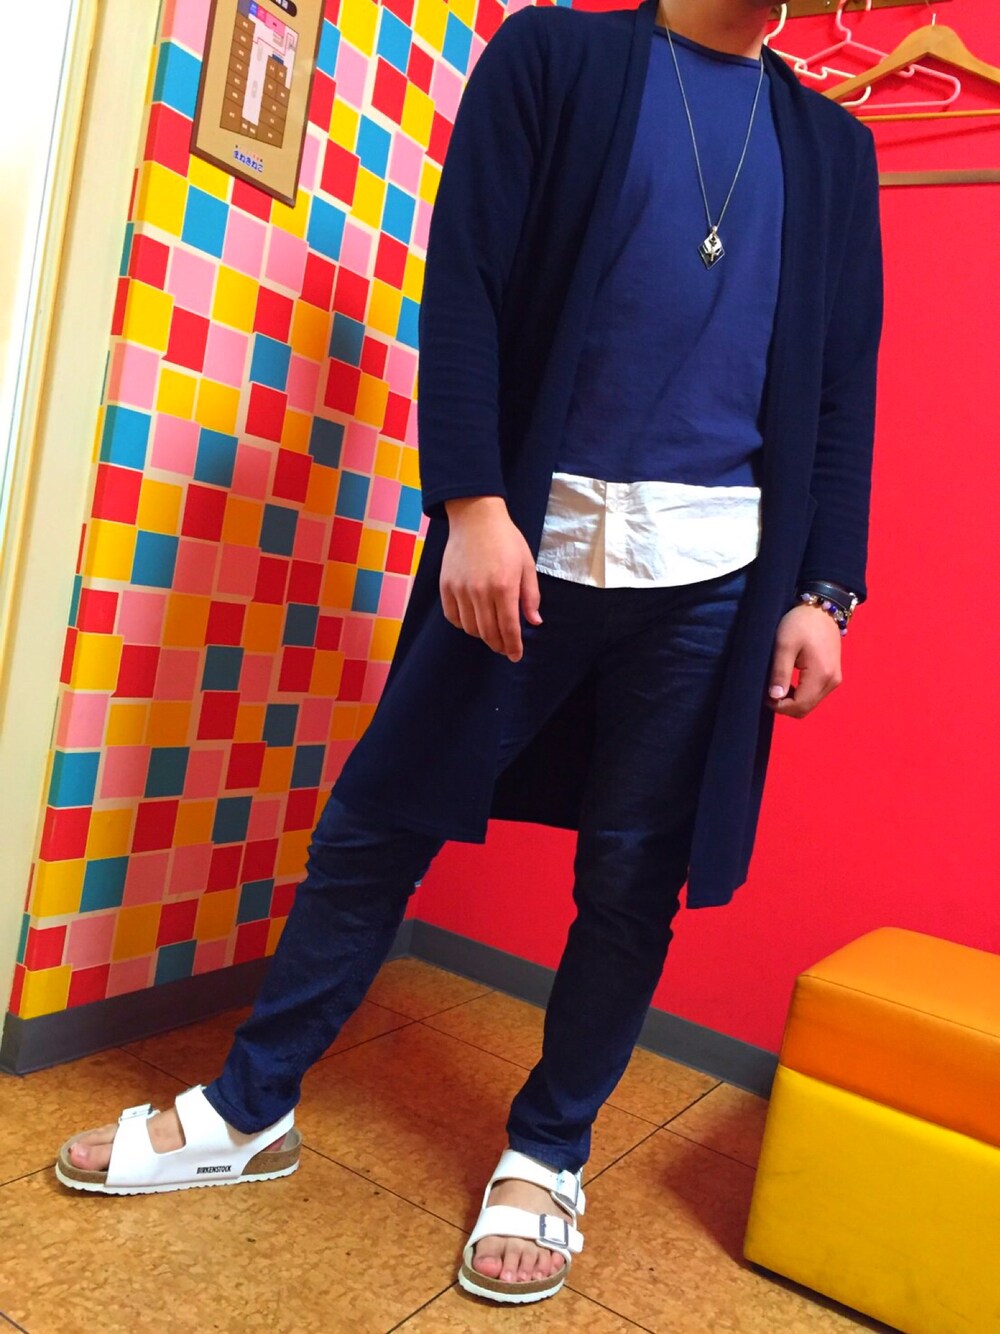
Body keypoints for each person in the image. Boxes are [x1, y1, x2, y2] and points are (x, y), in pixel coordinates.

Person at [56, 0, 883, 1309]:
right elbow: (471, 284)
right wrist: (473, 503)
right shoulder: (555, 55)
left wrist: (825, 592)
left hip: (716, 582)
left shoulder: (835, 148)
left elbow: (842, 391)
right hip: (525, 543)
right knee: (377, 823)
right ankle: (248, 1107)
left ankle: (547, 1152)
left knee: (633, 881)